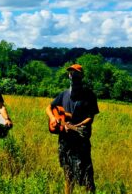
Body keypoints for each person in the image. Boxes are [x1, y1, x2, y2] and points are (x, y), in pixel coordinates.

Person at [46, 64, 99, 194]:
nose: (72, 75)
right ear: (68, 76)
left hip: (80, 140)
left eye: (76, 73)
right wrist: (53, 118)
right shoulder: (64, 94)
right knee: (68, 173)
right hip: (65, 141)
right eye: (71, 73)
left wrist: (77, 125)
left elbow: (90, 117)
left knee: (86, 173)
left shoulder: (89, 95)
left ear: (81, 76)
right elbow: (48, 108)